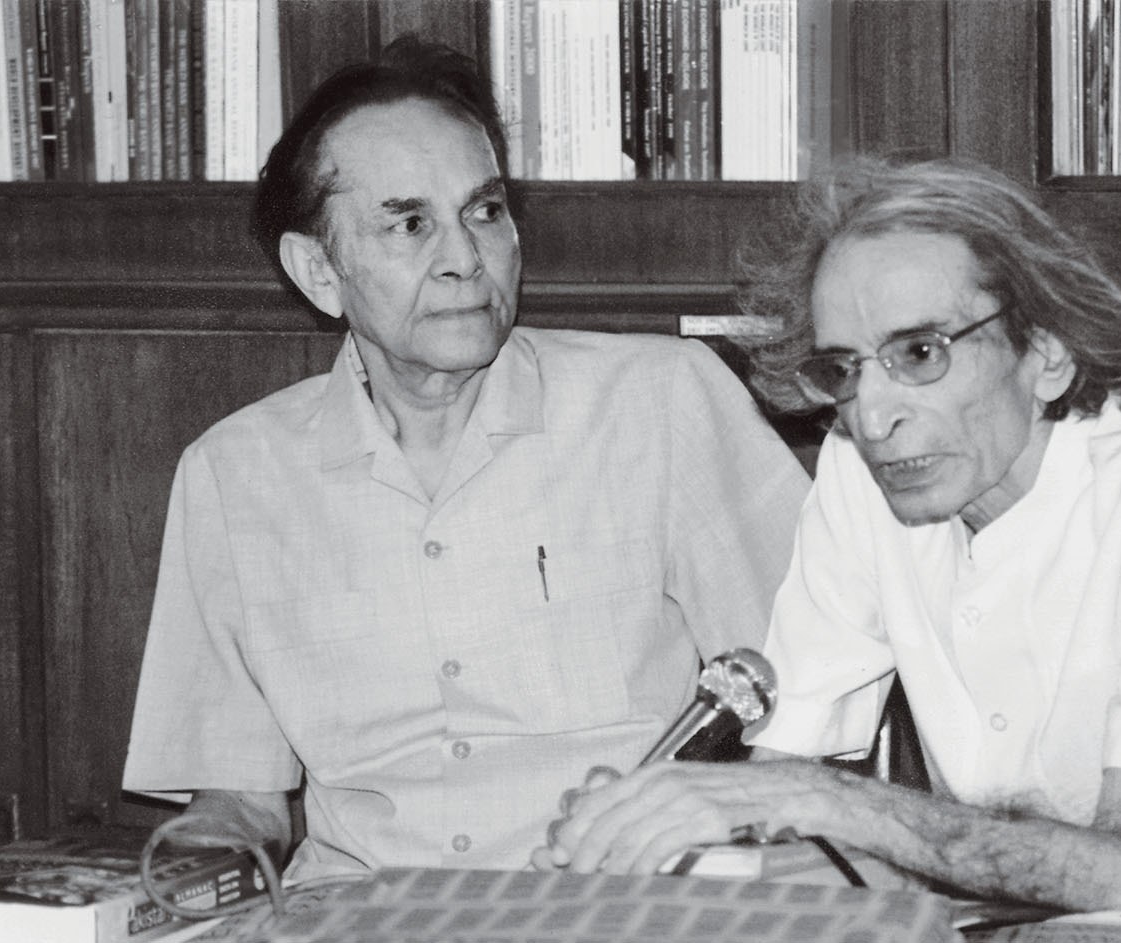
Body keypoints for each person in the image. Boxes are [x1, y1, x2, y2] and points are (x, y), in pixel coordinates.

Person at [121, 35, 810, 881]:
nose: (465, 258)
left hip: (626, 913)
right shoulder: (232, 476)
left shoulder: (661, 400)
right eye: (409, 224)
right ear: (318, 271)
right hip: (358, 919)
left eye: (483, 211)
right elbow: (237, 802)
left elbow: (814, 693)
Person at [534, 156, 1121, 914]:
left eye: (919, 353)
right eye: (844, 368)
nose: (871, 413)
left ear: (1045, 354)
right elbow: (785, 783)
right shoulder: (857, 476)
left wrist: (811, 799)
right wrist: (663, 828)